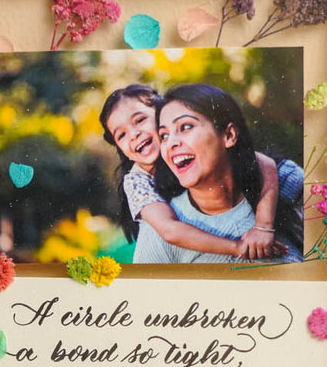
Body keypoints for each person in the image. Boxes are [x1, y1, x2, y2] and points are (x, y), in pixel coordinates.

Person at [99, 83, 289, 260]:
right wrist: (237, 247)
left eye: (140, 120)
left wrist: (263, 226)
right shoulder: (137, 181)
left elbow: (264, 162)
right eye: (121, 135)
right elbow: (170, 230)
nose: (134, 135)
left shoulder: (183, 146)